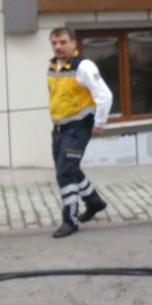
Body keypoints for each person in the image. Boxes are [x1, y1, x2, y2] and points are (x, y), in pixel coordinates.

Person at [47, 27, 113, 238]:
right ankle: (94, 202)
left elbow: (105, 95)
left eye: (63, 42)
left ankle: (70, 220)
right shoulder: (53, 66)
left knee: (65, 173)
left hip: (78, 127)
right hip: (59, 128)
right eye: (54, 43)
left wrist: (99, 123)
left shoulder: (83, 66)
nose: (58, 47)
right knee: (69, 168)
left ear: (74, 43)